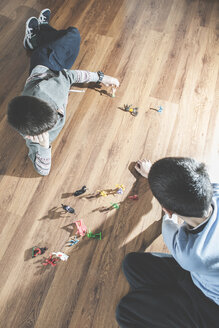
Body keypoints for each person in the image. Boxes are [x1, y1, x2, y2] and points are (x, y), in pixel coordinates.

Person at [7, 9, 119, 176]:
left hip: (46, 65)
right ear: (31, 136)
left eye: (57, 110)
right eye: (59, 113)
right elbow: (43, 171)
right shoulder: (35, 138)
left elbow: (71, 75)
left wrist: (101, 77)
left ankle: (38, 37)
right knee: (68, 39)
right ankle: (39, 37)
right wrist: (44, 147)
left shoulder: (48, 89)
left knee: (73, 35)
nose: (61, 110)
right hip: (55, 73)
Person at [116, 157, 219, 328]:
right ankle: (167, 302)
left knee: (126, 312)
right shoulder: (214, 191)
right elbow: (188, 182)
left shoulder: (190, 253)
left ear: (168, 209)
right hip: (204, 276)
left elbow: (169, 221)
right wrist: (154, 175)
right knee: (132, 264)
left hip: (211, 307)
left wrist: (168, 214)